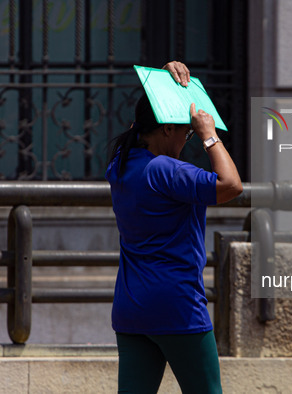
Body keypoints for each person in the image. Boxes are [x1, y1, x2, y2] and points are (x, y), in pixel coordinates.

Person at [105, 61, 242, 393]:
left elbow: (147, 114)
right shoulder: (165, 170)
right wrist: (211, 137)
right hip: (177, 305)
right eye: (186, 130)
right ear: (167, 129)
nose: (188, 137)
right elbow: (231, 185)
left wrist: (167, 84)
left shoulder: (119, 166)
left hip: (131, 307)